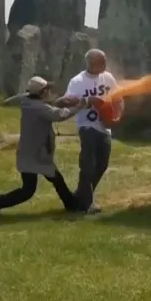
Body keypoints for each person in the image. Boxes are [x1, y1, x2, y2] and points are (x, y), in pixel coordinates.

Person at [0, 76, 81, 217]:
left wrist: (60, 101)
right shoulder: (38, 107)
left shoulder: (28, 101)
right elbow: (58, 115)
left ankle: (72, 205)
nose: (49, 92)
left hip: (33, 152)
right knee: (29, 190)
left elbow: (49, 105)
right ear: (41, 92)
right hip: (35, 154)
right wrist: (80, 106)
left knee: (54, 180)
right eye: (47, 90)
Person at [55, 49, 124, 215]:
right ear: (92, 63)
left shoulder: (108, 78)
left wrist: (118, 117)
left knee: (102, 165)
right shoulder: (77, 81)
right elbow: (62, 102)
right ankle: (87, 204)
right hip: (87, 126)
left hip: (104, 128)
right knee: (88, 166)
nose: (106, 64)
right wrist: (85, 101)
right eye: (103, 61)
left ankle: (81, 197)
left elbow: (118, 99)